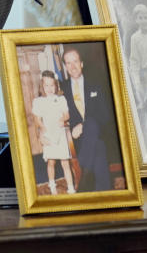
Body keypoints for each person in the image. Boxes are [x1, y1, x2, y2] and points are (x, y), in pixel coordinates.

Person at [61, 47, 120, 191]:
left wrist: (84, 125)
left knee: (92, 127)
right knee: (98, 148)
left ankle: (84, 180)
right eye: (69, 63)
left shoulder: (95, 83)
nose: (73, 66)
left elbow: (105, 115)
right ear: (65, 67)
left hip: (98, 132)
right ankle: (104, 194)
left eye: (75, 61)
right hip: (79, 141)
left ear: (81, 63)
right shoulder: (62, 89)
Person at [31, 71, 75, 195]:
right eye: (46, 86)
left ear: (56, 85)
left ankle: (71, 187)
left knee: (65, 161)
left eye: (52, 85)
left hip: (60, 133)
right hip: (48, 134)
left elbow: (66, 114)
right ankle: (51, 183)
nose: (49, 89)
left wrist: (63, 119)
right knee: (51, 161)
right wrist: (42, 129)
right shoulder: (38, 101)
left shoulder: (61, 99)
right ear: (42, 86)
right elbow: (37, 120)